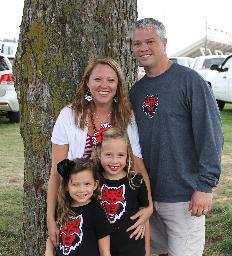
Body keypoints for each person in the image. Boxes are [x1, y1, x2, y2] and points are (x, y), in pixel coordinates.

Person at [129, 18, 224, 256]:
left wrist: (205, 186)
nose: (143, 48)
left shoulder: (189, 81)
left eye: (150, 41)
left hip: (184, 196)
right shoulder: (136, 91)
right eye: (137, 43)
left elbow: (211, 135)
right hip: (148, 196)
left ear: (163, 42)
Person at [47, 58, 153, 247]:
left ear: (118, 84)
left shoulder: (127, 117)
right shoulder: (68, 116)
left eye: (111, 80)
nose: (104, 85)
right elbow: (57, 174)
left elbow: (138, 166)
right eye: (97, 79)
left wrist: (149, 207)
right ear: (87, 82)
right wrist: (51, 219)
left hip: (118, 203)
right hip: (80, 206)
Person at [92, 127, 150, 256]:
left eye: (120, 155)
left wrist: (146, 251)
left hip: (132, 247)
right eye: (108, 155)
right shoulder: (94, 182)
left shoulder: (136, 181)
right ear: (99, 154)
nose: (114, 161)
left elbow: (144, 216)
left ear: (127, 155)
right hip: (102, 249)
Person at [45, 158, 111, 256]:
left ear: (95, 185)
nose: (81, 190)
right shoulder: (63, 207)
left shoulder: (96, 211)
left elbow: (105, 251)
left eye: (87, 184)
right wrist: (48, 251)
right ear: (67, 186)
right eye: (75, 185)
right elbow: (53, 235)